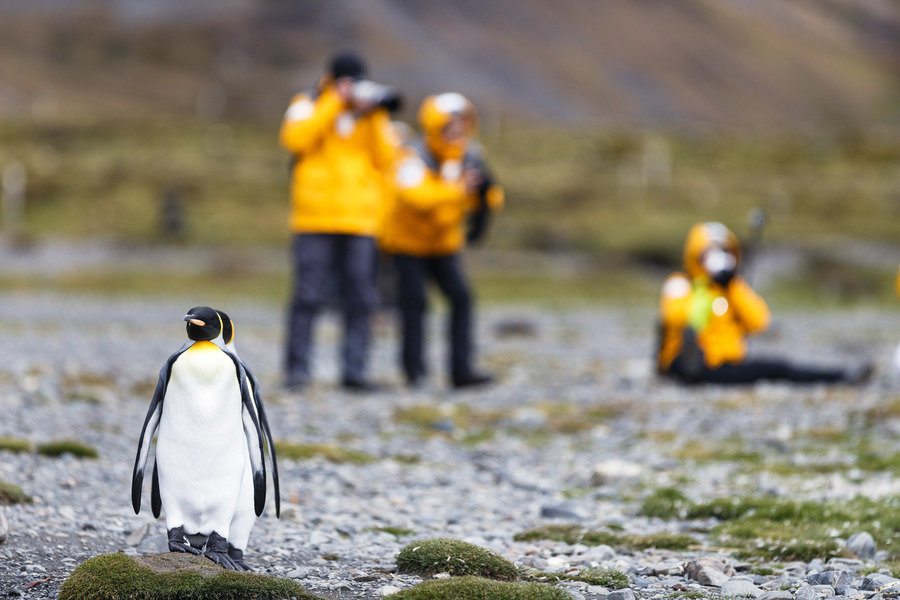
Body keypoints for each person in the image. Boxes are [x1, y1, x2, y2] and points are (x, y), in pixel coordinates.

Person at [279, 51, 399, 390]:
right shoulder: (307, 103)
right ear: (332, 80)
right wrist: (333, 102)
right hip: (314, 219)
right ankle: (297, 371)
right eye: (345, 81)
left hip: (359, 221)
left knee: (361, 298)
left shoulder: (370, 114)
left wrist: (373, 115)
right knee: (308, 295)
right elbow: (295, 139)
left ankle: (354, 372)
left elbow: (388, 157)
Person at [380, 93, 503, 388]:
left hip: (444, 243)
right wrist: (459, 191)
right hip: (408, 243)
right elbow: (416, 197)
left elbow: (491, 197)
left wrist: (483, 195)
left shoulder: (469, 155)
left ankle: (461, 371)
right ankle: (414, 372)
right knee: (415, 303)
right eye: (450, 125)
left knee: (461, 298)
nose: (457, 131)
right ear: (435, 126)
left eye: (462, 124)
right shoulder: (412, 155)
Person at [657, 221, 871, 384]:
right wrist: (705, 289)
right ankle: (841, 377)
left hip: (726, 363)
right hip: (688, 364)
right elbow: (674, 317)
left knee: (778, 367)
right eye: (709, 253)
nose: (717, 259)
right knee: (775, 369)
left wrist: (731, 286)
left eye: (723, 251)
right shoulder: (680, 284)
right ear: (694, 255)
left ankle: (839, 376)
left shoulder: (732, 287)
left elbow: (759, 322)